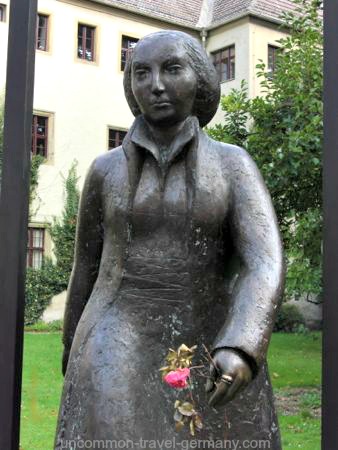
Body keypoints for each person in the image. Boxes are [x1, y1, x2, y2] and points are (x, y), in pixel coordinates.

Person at [55, 30, 284, 449]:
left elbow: (263, 261)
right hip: (116, 331)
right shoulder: (105, 172)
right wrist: (72, 348)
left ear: (199, 79)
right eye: (142, 73)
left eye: (171, 69)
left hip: (210, 331)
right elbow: (86, 266)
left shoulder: (233, 166)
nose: (156, 84)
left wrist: (243, 345)